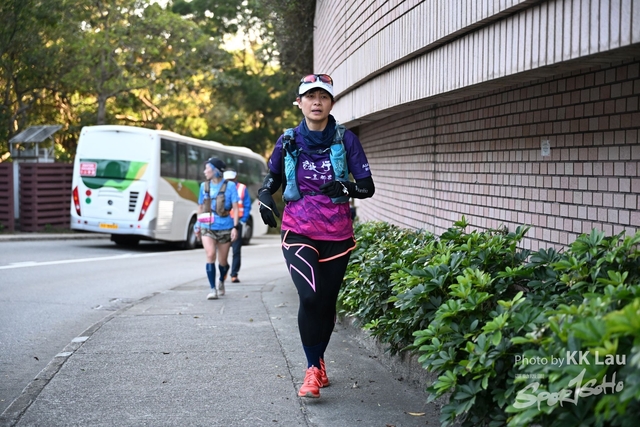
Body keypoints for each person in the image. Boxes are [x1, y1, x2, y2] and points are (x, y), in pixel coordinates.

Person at [257, 74, 375, 398]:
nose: (317, 102)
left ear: (331, 103)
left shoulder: (346, 140)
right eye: (310, 96)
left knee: (325, 303)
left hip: (336, 233)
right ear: (300, 103)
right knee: (309, 298)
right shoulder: (288, 140)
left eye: (323, 96)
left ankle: (318, 362)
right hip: (298, 228)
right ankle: (311, 370)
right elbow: (272, 177)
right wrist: (264, 195)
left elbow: (367, 187)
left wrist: (346, 187)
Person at [194, 157, 240, 300]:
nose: (205, 171)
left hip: (225, 227)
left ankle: (221, 280)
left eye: (207, 168)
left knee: (223, 262)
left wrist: (235, 227)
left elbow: (235, 208)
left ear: (215, 171)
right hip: (207, 226)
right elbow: (200, 206)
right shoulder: (204, 186)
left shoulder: (230, 186)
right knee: (210, 254)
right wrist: (197, 224)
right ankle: (212, 289)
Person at [223, 169, 252, 283]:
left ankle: (234, 274)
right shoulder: (221, 188)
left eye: (232, 179)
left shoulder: (242, 188)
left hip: (236, 223)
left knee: (236, 250)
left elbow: (247, 205)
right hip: (224, 223)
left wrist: (243, 220)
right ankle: (224, 270)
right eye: (228, 180)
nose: (230, 181)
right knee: (223, 250)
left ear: (236, 178)